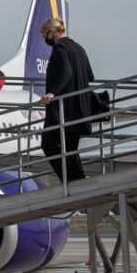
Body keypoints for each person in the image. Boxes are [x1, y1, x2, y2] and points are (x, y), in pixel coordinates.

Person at [38, 19, 96, 183]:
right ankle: (80, 181)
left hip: (65, 109)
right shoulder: (79, 48)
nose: (46, 40)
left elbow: (66, 72)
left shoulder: (60, 47)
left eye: (45, 36)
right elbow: (90, 76)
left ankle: (72, 181)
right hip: (80, 108)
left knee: (49, 145)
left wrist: (52, 93)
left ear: (52, 32)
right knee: (70, 149)